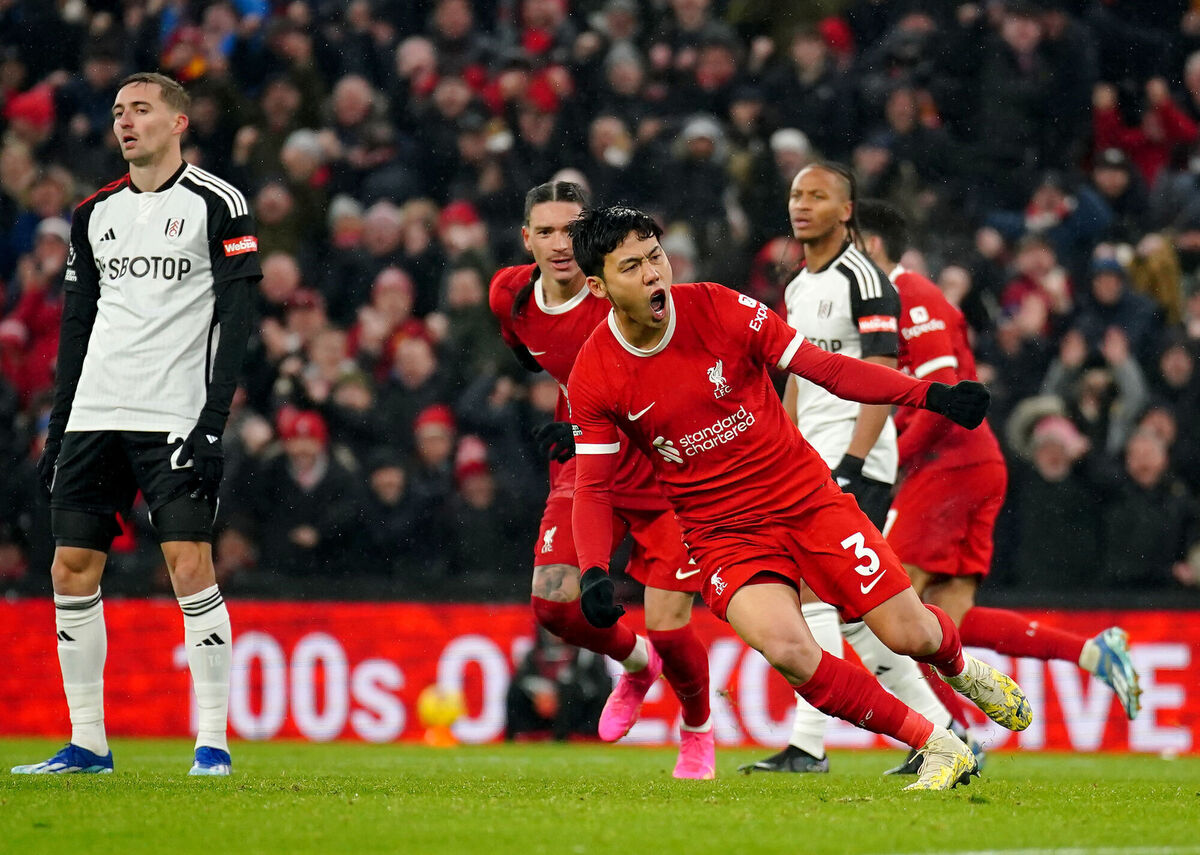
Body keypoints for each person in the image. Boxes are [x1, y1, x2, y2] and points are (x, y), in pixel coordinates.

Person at [566, 204, 1032, 792]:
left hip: (808, 501)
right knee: (790, 650)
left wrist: (927, 395)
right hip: (722, 534)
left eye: (655, 256)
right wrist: (590, 572)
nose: (653, 274)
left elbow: (827, 369)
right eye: (631, 266)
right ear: (597, 286)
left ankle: (962, 669)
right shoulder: (596, 373)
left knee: (907, 634)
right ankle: (938, 745)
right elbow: (592, 484)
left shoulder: (717, 306)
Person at [12, 73, 260, 776]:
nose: (126, 122)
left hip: (174, 413)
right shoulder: (94, 214)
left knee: (188, 564)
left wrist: (214, 421)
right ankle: (88, 742)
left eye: (141, 109)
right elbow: (77, 325)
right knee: (71, 566)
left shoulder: (219, 202)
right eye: (119, 111)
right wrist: (59, 429)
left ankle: (211, 742)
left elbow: (238, 316)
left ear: (177, 123)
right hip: (97, 411)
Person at [851, 199, 1141, 747]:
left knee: (890, 615)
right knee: (949, 620)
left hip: (949, 464)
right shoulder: (899, 300)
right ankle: (1089, 652)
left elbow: (946, 401)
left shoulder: (908, 294)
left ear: (872, 245)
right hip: (968, 463)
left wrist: (886, 463)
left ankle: (949, 736)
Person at [489, 182, 715, 779]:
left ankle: (697, 730)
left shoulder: (617, 290)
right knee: (553, 605)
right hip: (590, 466)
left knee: (672, 628)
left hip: (666, 473)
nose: (560, 245)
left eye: (571, 231)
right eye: (545, 232)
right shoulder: (509, 297)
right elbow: (532, 353)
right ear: (526, 239)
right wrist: (576, 414)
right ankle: (636, 664)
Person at [744, 162, 956, 776]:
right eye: (795, 195)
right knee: (855, 613)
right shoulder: (797, 287)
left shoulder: (866, 279)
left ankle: (810, 745)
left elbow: (884, 377)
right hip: (807, 460)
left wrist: (856, 463)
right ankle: (939, 732)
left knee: (815, 590)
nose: (801, 205)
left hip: (857, 461)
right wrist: (779, 447)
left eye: (817, 195)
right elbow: (798, 382)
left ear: (846, 210)